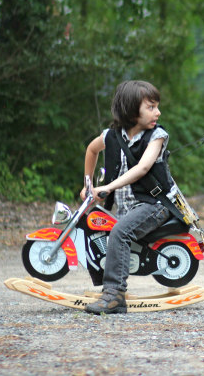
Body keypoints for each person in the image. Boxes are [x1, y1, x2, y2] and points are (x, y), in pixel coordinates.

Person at [81, 80, 175, 314]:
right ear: (132, 110)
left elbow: (142, 168)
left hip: (154, 204)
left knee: (120, 232)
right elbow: (91, 150)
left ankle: (114, 295)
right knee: (95, 225)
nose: (158, 112)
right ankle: (107, 276)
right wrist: (88, 184)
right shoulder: (111, 135)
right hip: (127, 208)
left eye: (157, 106)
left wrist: (108, 187)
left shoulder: (157, 136)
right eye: (151, 107)